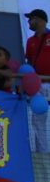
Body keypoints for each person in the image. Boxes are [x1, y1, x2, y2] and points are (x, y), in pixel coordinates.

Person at [25, 8, 50, 154]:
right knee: (38, 120)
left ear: (40, 20)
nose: (29, 21)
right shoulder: (30, 41)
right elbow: (28, 62)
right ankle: (43, 153)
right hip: (37, 85)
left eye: (31, 18)